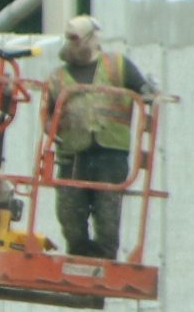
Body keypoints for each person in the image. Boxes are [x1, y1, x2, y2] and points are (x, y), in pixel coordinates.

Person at [53, 14, 151, 260]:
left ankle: (105, 258)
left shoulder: (117, 65)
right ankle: (79, 256)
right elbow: (48, 115)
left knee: (108, 214)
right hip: (73, 154)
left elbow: (144, 91)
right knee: (70, 213)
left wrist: (149, 92)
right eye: (69, 39)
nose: (72, 44)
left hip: (110, 153)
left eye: (76, 39)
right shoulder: (57, 77)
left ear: (91, 39)